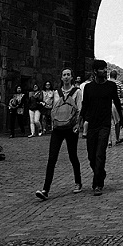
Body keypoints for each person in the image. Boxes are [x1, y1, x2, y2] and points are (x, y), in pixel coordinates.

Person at [35, 68, 83, 200]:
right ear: (61, 78)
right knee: (52, 158)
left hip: (70, 127)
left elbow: (79, 109)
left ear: (71, 77)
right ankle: (46, 189)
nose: (66, 77)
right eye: (64, 75)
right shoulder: (57, 92)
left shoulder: (77, 92)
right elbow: (54, 109)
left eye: (68, 75)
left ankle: (78, 181)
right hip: (58, 128)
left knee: (73, 155)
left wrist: (77, 125)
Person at [79, 60, 123, 194]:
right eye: (102, 69)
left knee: (100, 153)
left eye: (105, 68)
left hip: (105, 124)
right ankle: (100, 173)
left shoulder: (111, 86)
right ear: (95, 71)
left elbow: (116, 101)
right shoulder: (88, 88)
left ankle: (97, 183)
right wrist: (80, 120)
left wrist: (120, 118)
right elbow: (85, 105)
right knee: (91, 155)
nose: (105, 71)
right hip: (92, 124)